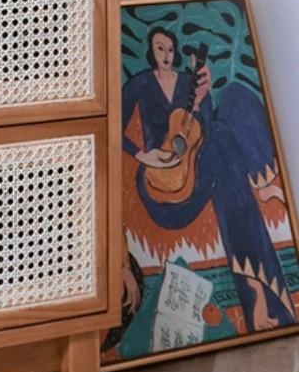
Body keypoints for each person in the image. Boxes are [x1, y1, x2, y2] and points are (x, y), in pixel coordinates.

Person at [122, 26, 294, 332]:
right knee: (225, 146)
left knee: (235, 100)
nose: (165, 54)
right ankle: (263, 184)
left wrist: (201, 102)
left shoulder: (189, 83)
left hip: (196, 172)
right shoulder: (139, 84)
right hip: (159, 186)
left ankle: (260, 302)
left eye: (169, 49)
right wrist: (142, 155)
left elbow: (205, 133)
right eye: (159, 48)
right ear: (151, 50)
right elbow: (113, 129)